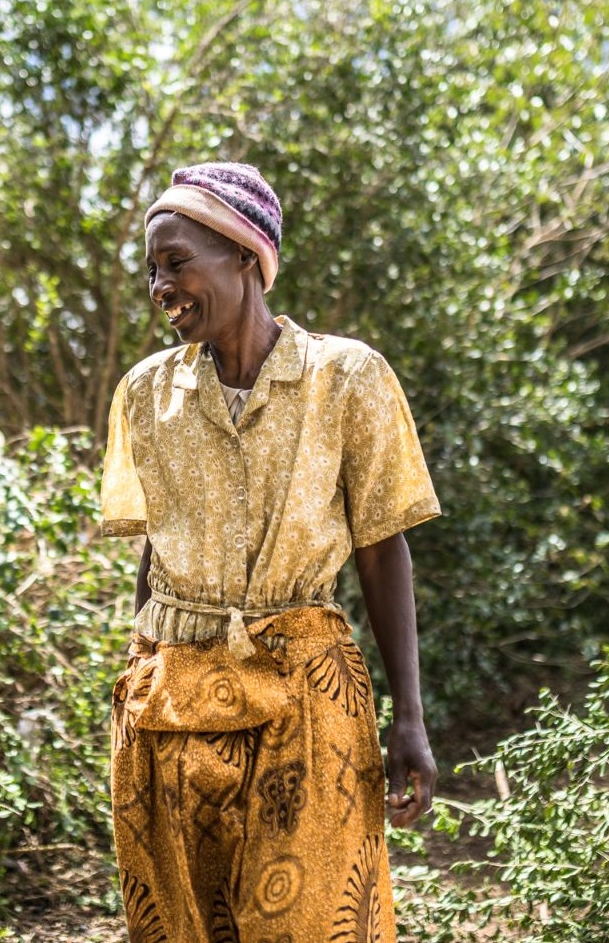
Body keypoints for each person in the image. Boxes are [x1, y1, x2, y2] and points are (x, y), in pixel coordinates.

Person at [101, 161, 440, 943]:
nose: (161, 286)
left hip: (306, 700)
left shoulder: (348, 378)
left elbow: (382, 551)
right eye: (151, 270)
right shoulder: (145, 395)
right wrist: (138, 671)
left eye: (178, 262)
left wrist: (410, 720)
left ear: (246, 257)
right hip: (172, 708)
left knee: (316, 924)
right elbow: (155, 555)